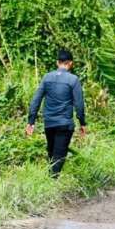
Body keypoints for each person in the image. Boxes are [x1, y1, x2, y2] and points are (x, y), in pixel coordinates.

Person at [26, 49, 86, 178]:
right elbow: (79, 105)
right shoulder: (73, 80)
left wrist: (31, 122)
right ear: (70, 63)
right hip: (65, 124)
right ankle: (52, 181)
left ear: (57, 62)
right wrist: (82, 123)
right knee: (59, 156)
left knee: (52, 153)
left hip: (49, 123)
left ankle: (50, 182)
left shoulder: (47, 77)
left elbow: (35, 100)